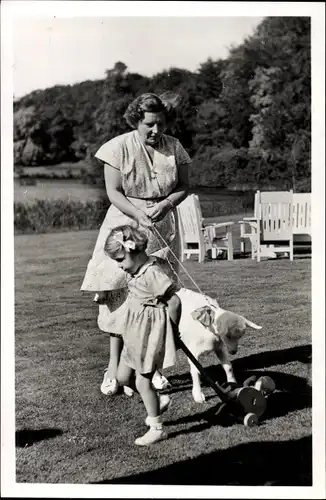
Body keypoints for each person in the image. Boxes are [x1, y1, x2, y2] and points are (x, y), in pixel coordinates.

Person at [80, 92, 191, 395]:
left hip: (162, 225)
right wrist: (139, 213)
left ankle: (150, 369)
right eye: (150, 125)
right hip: (125, 223)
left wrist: (167, 204)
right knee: (120, 299)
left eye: (161, 125)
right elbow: (114, 192)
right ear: (136, 121)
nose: (156, 131)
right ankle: (114, 370)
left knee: (155, 297)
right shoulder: (117, 147)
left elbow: (184, 185)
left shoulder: (175, 147)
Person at [103, 225, 181, 446]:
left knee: (143, 381)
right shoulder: (136, 271)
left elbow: (174, 301)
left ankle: (157, 428)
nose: (119, 266)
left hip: (149, 336)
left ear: (133, 251)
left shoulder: (152, 273)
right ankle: (158, 401)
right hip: (134, 334)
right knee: (123, 377)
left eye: (120, 260)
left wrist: (173, 330)